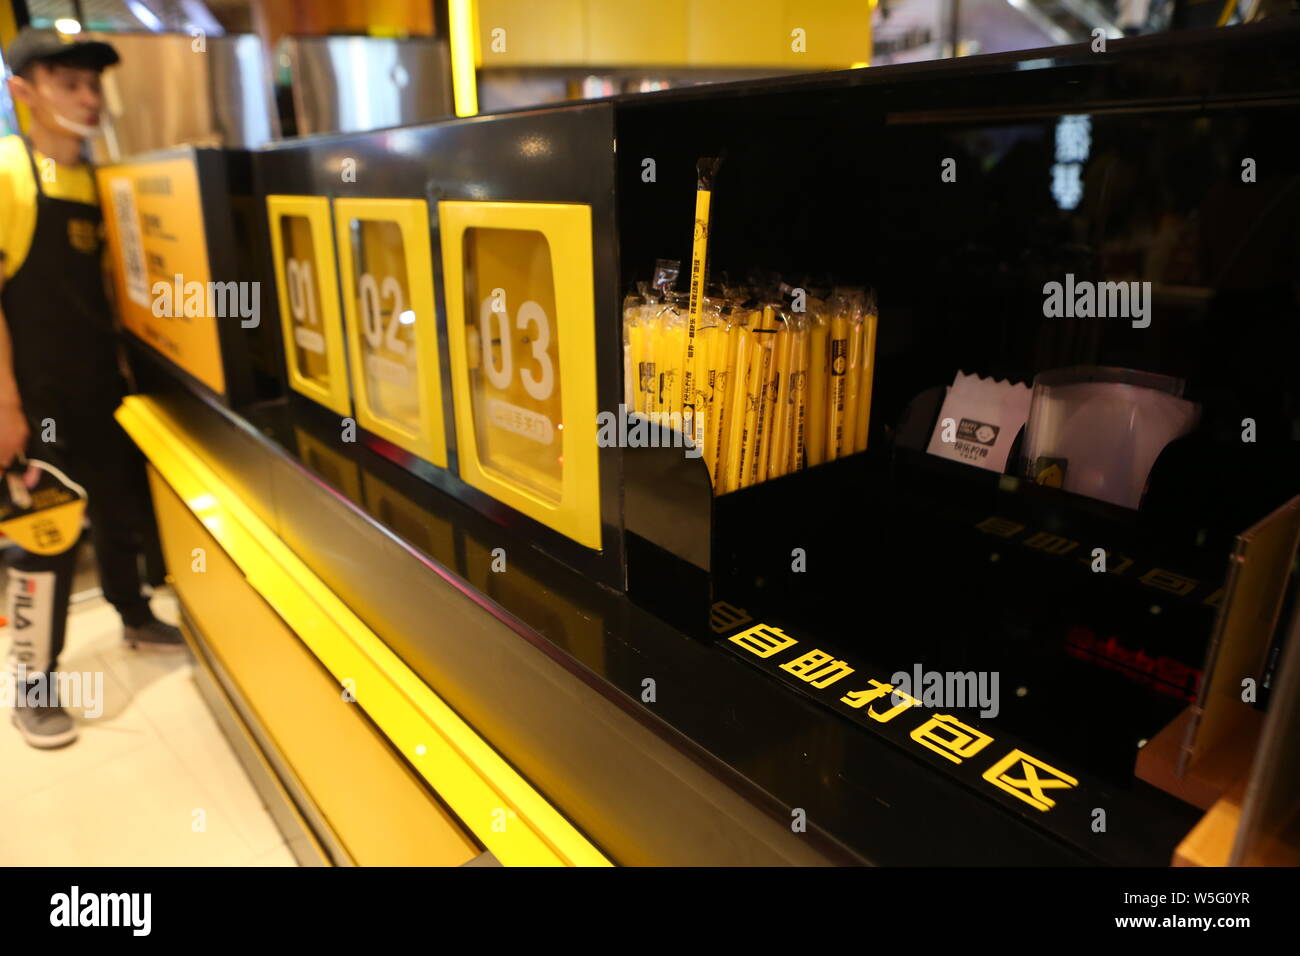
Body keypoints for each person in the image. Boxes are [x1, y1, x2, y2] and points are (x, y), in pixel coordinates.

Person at [0, 28, 184, 750]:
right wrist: (6, 407)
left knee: (116, 508)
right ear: (23, 91)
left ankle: (134, 616)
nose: (88, 98)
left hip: (101, 387)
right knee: (44, 539)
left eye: (93, 84)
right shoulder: (12, 175)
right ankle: (34, 687)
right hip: (35, 401)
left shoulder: (101, 178)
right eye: (68, 83)